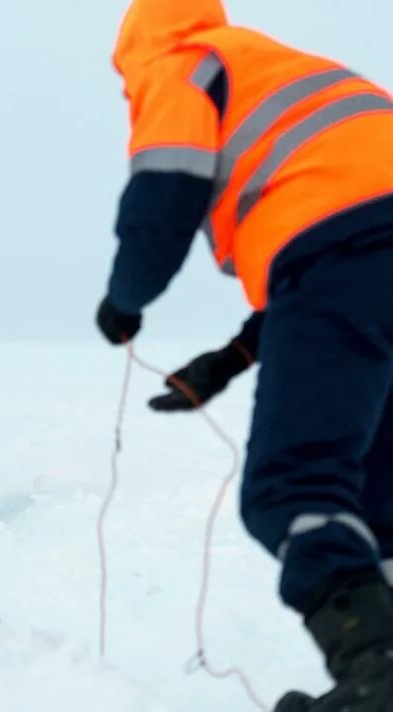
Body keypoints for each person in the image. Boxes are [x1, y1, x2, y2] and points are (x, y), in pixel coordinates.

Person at [97, 1, 393, 708]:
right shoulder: (293, 71)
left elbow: (165, 191)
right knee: (376, 494)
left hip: (336, 260)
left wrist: (125, 298)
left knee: (291, 487)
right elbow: (365, 248)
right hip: (351, 261)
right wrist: (226, 361)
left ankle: (377, 674)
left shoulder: (179, 64)